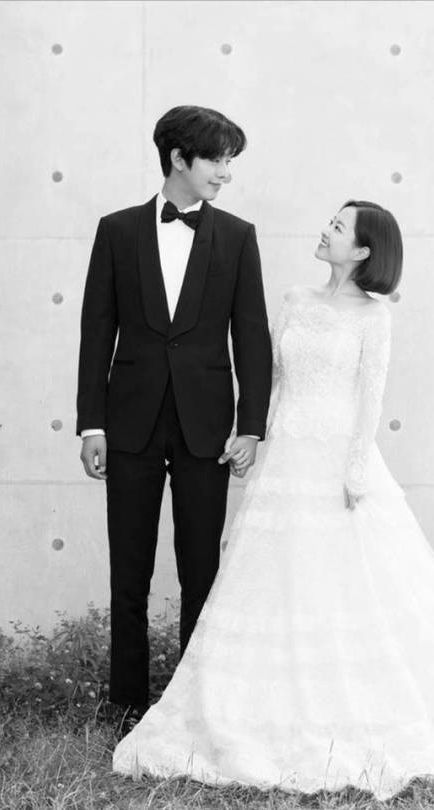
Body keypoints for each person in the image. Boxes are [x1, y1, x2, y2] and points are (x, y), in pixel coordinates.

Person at [113, 200, 434, 799]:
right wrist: (252, 436)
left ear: (362, 251)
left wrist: (357, 468)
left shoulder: (374, 316)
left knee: (342, 584)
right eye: (331, 221)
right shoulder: (294, 300)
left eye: (338, 227)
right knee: (273, 581)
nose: (326, 230)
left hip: (336, 461)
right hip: (284, 457)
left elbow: (370, 397)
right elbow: (271, 379)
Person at [76, 106, 272, 735]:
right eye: (217, 159)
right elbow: (96, 331)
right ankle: (126, 704)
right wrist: (91, 424)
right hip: (128, 424)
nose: (226, 173)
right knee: (128, 572)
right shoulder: (117, 230)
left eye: (230, 161)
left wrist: (251, 426)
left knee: (201, 572)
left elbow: (252, 337)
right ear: (179, 159)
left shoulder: (237, 236)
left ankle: (193, 707)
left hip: (206, 428)